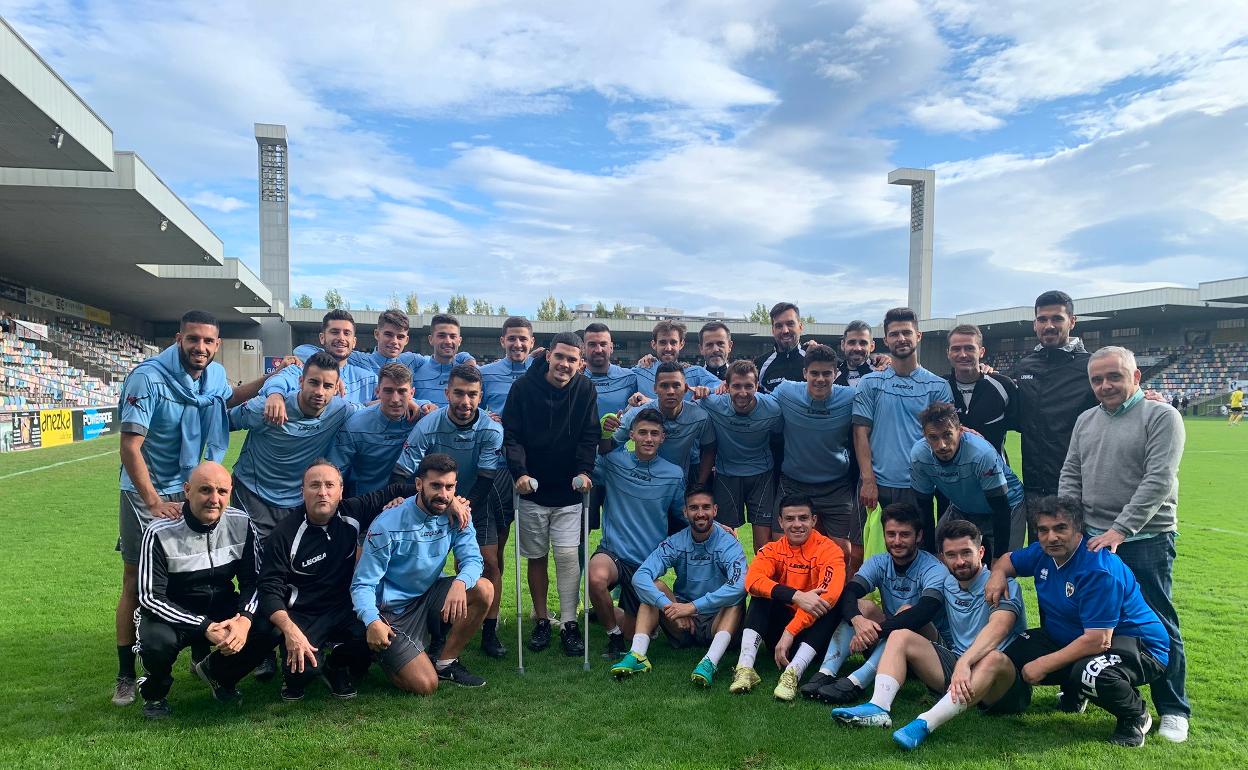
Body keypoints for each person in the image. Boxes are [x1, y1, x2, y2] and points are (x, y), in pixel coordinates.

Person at [113, 309, 275, 707]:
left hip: (193, 485)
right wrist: (153, 502)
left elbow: (229, 398)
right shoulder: (147, 378)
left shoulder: (215, 376)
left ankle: (207, 642)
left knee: (210, 560)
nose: (200, 347)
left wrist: (270, 381)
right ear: (178, 338)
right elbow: (130, 446)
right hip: (148, 489)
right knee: (136, 581)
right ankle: (125, 673)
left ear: (216, 344)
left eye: (208, 341)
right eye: (193, 339)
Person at [198, 461, 425, 702]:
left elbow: (400, 490)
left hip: (344, 607)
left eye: (329, 485)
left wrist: (453, 501)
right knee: (302, 673)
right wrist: (291, 631)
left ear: (341, 490)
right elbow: (269, 590)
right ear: (302, 491)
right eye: (314, 485)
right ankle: (220, 668)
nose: (323, 492)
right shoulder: (284, 534)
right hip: (304, 613)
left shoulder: (353, 511)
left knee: (377, 634)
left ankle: (336, 664)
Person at [1059, 346, 1189, 742]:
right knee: (1088, 619)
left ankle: (1172, 709)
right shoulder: (1086, 419)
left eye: (1113, 376)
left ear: (1135, 377)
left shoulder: (1162, 416)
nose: (1104, 385)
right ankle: (1083, 687)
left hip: (1144, 539)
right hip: (1092, 538)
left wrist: (1121, 529)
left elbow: (1158, 480)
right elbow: (1071, 471)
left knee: (1156, 622)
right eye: (1097, 379)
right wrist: (1069, 525)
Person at [986, 497, 1171, 748]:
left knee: (1091, 672)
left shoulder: (1098, 569)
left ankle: (1135, 716)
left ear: (1078, 529)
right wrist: (997, 574)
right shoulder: (1042, 552)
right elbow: (1009, 560)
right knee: (1012, 653)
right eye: (1043, 530)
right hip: (1079, 638)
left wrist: (1043, 663)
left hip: (1137, 645)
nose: (1051, 537)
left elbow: (1099, 640)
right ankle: (1033, 701)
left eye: (1060, 528)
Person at [832, 519, 1028, 748]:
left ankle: (925, 722)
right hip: (957, 670)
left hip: (1003, 685)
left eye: (966, 552)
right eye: (951, 555)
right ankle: (879, 707)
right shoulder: (947, 583)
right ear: (943, 558)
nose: (960, 561)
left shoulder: (1003, 584)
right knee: (900, 634)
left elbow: (1000, 627)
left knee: (993, 658)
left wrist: (966, 661)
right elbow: (916, 613)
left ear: (981, 552)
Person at [392, 364, 509, 659]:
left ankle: (489, 630)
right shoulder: (427, 425)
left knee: (488, 564)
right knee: (423, 564)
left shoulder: (492, 429)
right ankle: (431, 626)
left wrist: (459, 506)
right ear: (447, 393)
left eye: (472, 394)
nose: (465, 401)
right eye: (458, 393)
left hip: (475, 499)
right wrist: (445, 502)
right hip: (426, 501)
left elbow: (485, 480)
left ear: (481, 397)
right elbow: (401, 476)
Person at [351, 453, 494, 693]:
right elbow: (362, 584)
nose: (444, 494)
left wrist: (460, 582)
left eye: (449, 487)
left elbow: (473, 560)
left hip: (427, 596)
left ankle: (446, 661)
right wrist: (372, 620)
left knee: (483, 589)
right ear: (419, 485)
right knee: (425, 685)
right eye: (435, 486)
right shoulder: (387, 524)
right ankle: (378, 649)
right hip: (392, 612)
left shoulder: (457, 514)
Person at [134, 462, 259, 719]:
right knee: (157, 643)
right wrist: (205, 627)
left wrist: (244, 620)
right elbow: (150, 597)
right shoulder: (158, 531)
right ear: (187, 490)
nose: (214, 499)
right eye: (205, 490)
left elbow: (253, 582)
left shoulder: (242, 523)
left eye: (222, 492)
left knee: (267, 625)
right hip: (172, 612)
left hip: (220, 606)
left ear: (231, 492)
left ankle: (218, 673)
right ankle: (155, 695)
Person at [503, 332, 600, 656]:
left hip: (570, 490)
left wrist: (586, 471)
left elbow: (590, 434)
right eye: (561, 357)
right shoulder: (522, 388)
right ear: (549, 356)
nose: (565, 364)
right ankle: (543, 619)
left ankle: (570, 622)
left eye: (572, 359)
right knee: (537, 556)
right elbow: (512, 434)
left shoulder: (586, 389)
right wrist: (519, 473)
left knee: (568, 555)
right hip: (531, 488)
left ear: (580, 362)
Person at [805, 503, 949, 704]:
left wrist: (874, 631)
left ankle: (856, 682)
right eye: (891, 534)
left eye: (904, 535)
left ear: (919, 536)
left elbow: (923, 613)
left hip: (929, 652)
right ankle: (826, 672)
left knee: (907, 610)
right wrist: (857, 620)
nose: (896, 541)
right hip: (889, 641)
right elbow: (849, 593)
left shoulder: (934, 568)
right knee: (862, 606)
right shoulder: (879, 561)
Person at [611, 485, 747, 686]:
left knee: (736, 599)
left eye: (706, 507)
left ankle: (710, 662)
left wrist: (692, 607)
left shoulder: (728, 543)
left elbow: (739, 585)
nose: (700, 513)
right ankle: (638, 654)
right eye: (693, 508)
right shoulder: (676, 541)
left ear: (715, 510)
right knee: (652, 588)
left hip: (717, 620)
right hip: (683, 621)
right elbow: (640, 576)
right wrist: (670, 606)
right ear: (685, 512)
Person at [588, 408, 688, 657]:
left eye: (654, 433)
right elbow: (591, 459)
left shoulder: (673, 473)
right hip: (613, 553)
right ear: (631, 435)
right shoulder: (614, 461)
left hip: (647, 564)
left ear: (663, 437)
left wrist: (716, 526)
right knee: (596, 577)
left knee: (634, 633)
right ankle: (613, 637)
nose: (648, 438)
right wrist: (603, 432)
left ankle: (626, 620)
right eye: (642, 432)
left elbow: (685, 515)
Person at [852, 307, 953, 551]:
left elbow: (944, 440)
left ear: (919, 336)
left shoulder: (937, 386)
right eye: (894, 334)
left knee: (920, 555)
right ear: (885, 340)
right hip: (878, 485)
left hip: (921, 486)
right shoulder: (871, 383)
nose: (901, 339)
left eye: (907, 333)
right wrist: (868, 480)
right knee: (874, 555)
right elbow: (860, 433)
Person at [229, 352, 358, 541]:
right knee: (255, 564)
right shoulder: (265, 408)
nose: (320, 392)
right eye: (314, 382)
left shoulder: (341, 410)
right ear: (301, 381)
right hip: (253, 493)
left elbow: (374, 410)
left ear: (337, 388)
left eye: (328, 386)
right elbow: (221, 422)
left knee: (291, 561)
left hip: (298, 500)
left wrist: (416, 404)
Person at [727, 497, 846, 700]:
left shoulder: (830, 550)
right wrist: (797, 596)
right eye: (790, 519)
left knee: (831, 603)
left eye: (803, 518)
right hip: (779, 633)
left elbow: (830, 594)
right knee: (760, 595)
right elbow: (752, 581)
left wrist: (791, 631)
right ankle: (745, 668)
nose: (797, 524)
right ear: (780, 522)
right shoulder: (773, 549)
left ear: (814, 520)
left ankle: (793, 673)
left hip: (812, 635)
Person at [1009, 290, 1098, 524]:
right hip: (1034, 488)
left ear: (1072, 321)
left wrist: (1148, 397)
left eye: (1057, 318)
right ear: (1035, 324)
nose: (1049, 325)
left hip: (1076, 488)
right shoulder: (1025, 366)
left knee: (1075, 555)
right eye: (1042, 319)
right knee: (1039, 556)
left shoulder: (1090, 367)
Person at [771, 345, 858, 561]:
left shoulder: (851, 398)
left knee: (843, 554)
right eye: (814, 373)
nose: (820, 379)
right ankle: (790, 595)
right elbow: (755, 404)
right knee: (782, 550)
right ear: (804, 373)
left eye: (827, 373)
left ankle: (841, 595)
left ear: (836, 374)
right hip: (793, 483)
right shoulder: (785, 392)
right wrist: (721, 390)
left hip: (836, 486)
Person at [910, 402, 1025, 560]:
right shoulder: (920, 456)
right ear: (924, 435)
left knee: (1003, 570)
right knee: (934, 560)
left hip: (1007, 505)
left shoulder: (980, 454)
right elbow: (925, 507)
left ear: (960, 430)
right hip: (963, 507)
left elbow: (1001, 509)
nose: (942, 445)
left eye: (947, 434)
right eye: (933, 437)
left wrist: (998, 559)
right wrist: (933, 553)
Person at [697, 360, 784, 549]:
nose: (743, 393)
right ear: (726, 387)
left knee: (763, 544)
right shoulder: (712, 404)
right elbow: (681, 406)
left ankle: (761, 578)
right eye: (736, 386)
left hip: (762, 474)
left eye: (748, 386)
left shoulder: (773, 409)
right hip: (727, 474)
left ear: (757, 386)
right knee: (725, 540)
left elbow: (778, 436)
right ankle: (732, 578)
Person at [330, 363, 431, 497]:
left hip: (409, 502)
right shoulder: (355, 426)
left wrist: (424, 405)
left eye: (402, 391)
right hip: (365, 502)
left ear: (412, 393)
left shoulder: (424, 418)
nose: (395, 399)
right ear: (377, 391)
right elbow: (335, 472)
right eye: (388, 391)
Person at [606, 363, 715, 485]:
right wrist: (605, 432)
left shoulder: (699, 416)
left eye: (676, 385)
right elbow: (610, 446)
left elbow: (709, 450)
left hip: (679, 482)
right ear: (655, 388)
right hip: (643, 482)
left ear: (685, 388)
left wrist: (700, 484)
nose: (670, 391)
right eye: (664, 386)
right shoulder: (637, 414)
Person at [582, 322, 638, 530]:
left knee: (619, 527)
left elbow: (651, 399)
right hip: (583, 465)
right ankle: (582, 565)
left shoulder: (630, 377)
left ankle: (612, 563)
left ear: (611, 347)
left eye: (603, 344)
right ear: (583, 348)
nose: (598, 349)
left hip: (618, 465)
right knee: (581, 529)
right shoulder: (573, 378)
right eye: (592, 344)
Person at [268, 309, 376, 407]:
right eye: (335, 332)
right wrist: (276, 396)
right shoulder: (301, 370)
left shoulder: (369, 380)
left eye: (347, 333)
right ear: (322, 338)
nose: (341, 338)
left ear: (354, 342)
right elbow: (277, 382)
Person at [944, 324, 1019, 457]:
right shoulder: (939, 386)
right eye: (956, 349)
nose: (962, 354)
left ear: (981, 351)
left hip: (993, 473)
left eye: (969, 348)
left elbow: (1025, 426)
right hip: (950, 475)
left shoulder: (1003, 386)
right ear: (948, 353)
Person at [633, 320, 722, 400]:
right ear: (654, 344)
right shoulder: (639, 373)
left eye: (673, 342)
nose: (668, 348)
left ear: (681, 344)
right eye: (663, 342)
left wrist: (707, 391)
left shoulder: (696, 373)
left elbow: (725, 388)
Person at [412, 314, 477, 405]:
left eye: (453, 336)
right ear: (431, 339)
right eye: (441, 336)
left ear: (459, 341)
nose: (448, 341)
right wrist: (421, 405)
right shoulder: (416, 370)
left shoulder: (473, 371)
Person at [480, 316, 536, 414]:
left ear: (532, 342)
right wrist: (485, 418)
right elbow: (474, 412)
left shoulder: (544, 372)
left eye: (523, 339)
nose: (518, 344)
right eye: (512, 339)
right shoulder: (483, 374)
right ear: (503, 341)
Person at [754, 302, 806, 393]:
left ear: (800, 327)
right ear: (773, 330)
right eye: (779, 326)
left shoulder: (813, 358)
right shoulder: (759, 364)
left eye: (790, 324)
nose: (785, 330)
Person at [835, 320, 876, 388]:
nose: (857, 348)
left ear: (872, 346)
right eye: (852, 342)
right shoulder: (832, 374)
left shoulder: (881, 372)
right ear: (843, 345)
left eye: (863, 343)